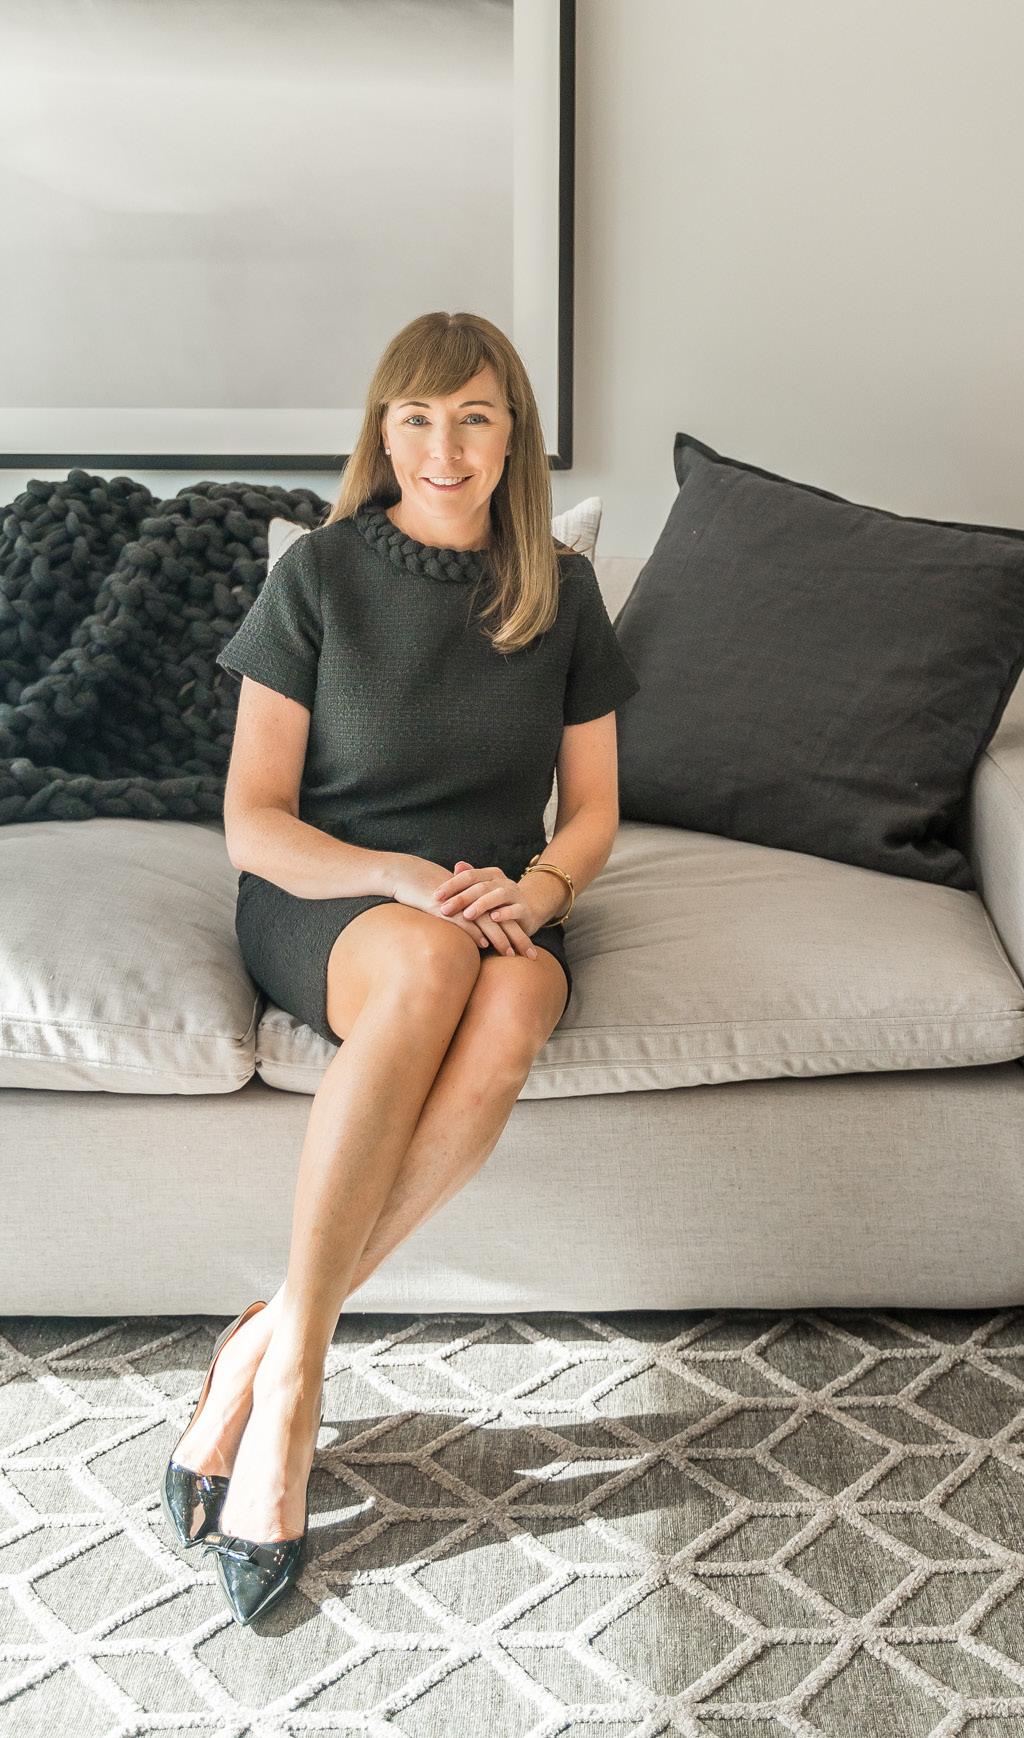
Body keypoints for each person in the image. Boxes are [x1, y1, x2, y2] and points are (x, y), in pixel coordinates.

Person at [161, 311, 640, 1626]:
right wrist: (392, 875)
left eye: (475, 417)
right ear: (383, 431)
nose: (445, 445)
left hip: (499, 899)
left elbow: (595, 810)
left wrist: (539, 891)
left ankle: (264, 1340)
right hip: (334, 895)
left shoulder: (561, 590)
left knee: (520, 991)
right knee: (431, 964)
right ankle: (297, 1389)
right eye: (418, 417)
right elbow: (253, 820)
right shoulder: (318, 574)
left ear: (513, 437)